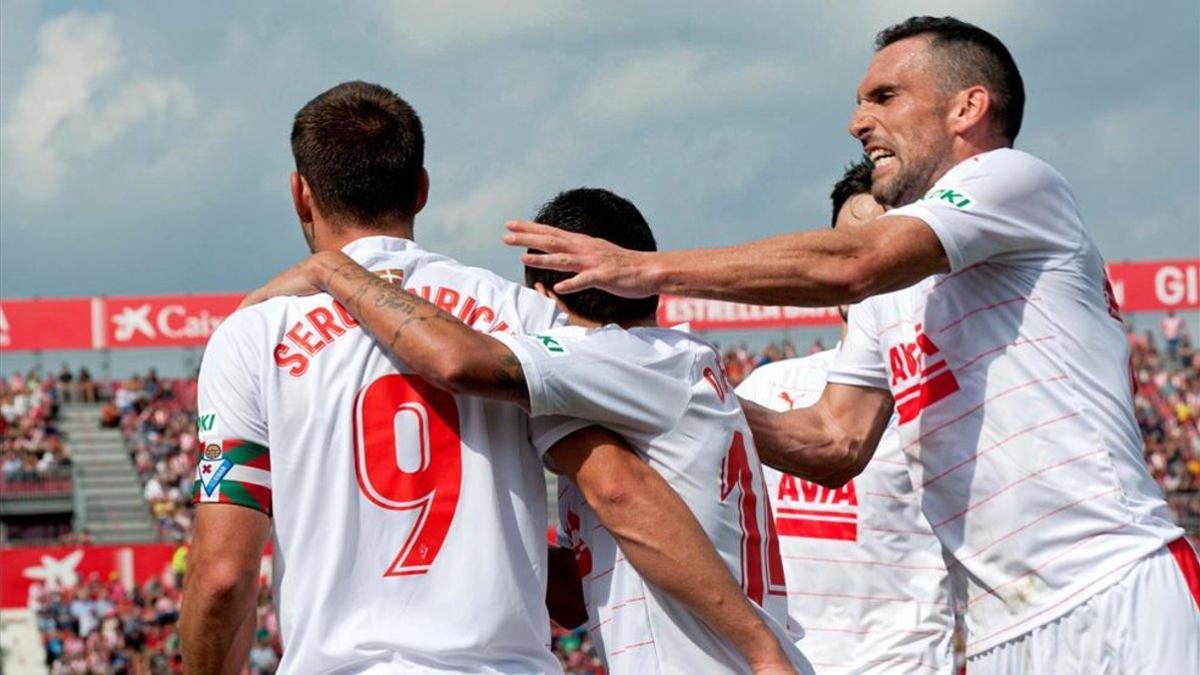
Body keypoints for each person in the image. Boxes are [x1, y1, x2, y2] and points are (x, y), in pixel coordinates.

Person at [504, 16, 1200, 673]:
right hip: (999, 632)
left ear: (967, 108)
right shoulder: (890, 298)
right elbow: (833, 441)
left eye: (884, 96)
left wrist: (644, 268)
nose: (856, 121)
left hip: (1113, 583)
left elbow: (852, 262)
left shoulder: (1016, 181)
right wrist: (671, 397)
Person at [180, 82, 791, 674]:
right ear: (420, 189)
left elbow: (223, 575)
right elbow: (616, 486)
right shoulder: (518, 314)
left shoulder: (256, 334)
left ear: (300, 193)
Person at [736, 159, 955, 674]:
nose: (863, 270)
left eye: (882, 251)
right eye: (848, 248)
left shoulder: (945, 400)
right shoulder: (767, 388)